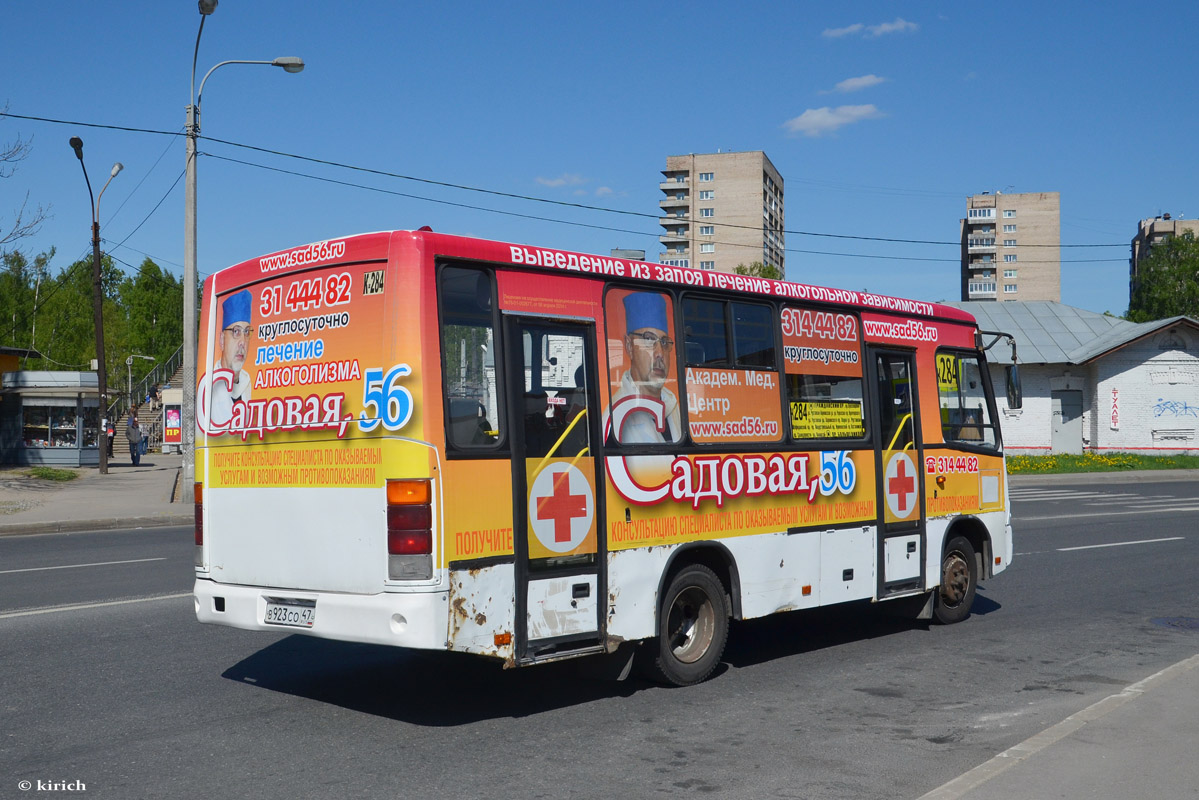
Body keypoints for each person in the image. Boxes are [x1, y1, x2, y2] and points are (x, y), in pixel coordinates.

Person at [609, 292, 681, 444]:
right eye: (648, 339)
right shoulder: (615, 414)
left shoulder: (672, 404)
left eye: (664, 342)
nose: (660, 353)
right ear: (629, 346)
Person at [208, 289, 254, 425]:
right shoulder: (211, 388)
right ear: (222, 339)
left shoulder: (246, 382)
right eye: (236, 331)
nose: (243, 342)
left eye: (246, 332)